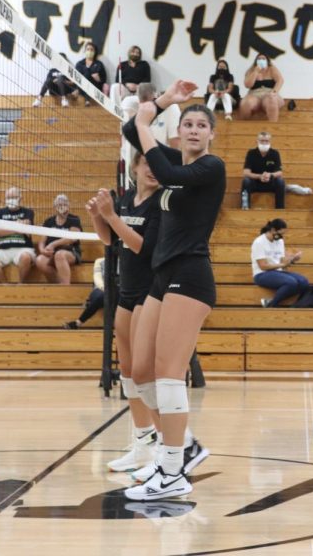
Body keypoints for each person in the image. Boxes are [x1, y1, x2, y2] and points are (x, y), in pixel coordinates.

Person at [120, 79, 225, 500]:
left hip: (191, 276)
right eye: (188, 123)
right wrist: (163, 102)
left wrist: (148, 122)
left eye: (202, 124)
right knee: (140, 372)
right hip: (161, 277)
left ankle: (171, 471)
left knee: (168, 375)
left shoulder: (208, 168)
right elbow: (132, 133)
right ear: (179, 130)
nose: (195, 129)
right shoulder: (175, 163)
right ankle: (185, 448)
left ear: (211, 134)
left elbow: (162, 169)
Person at [86, 149, 163, 473]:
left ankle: (168, 445)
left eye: (158, 166)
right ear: (135, 166)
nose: (152, 171)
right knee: (129, 371)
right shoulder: (127, 198)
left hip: (151, 291)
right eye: (147, 163)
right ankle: (142, 442)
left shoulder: (161, 204)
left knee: (148, 372)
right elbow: (111, 241)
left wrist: (112, 217)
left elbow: (142, 247)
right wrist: (97, 217)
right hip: (126, 291)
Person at [0, 187, 35, 283]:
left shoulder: (28, 212)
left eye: (14, 197)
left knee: (25, 257)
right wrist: (18, 227)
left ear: (20, 198)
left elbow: (27, 227)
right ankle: (4, 285)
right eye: (8, 197)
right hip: (3, 250)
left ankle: (21, 284)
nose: (11, 200)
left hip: (23, 249)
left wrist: (6, 228)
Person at [251, 218, 307, 307]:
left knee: (303, 282)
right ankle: (272, 304)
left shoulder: (279, 241)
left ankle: (290, 304)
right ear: (273, 230)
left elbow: (282, 262)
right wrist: (282, 265)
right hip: (262, 274)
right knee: (291, 282)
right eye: (280, 234)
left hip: (278, 272)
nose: (281, 237)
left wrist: (292, 259)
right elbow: (263, 266)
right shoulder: (259, 242)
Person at [35, 194, 82, 285]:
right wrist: (42, 250)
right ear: (55, 207)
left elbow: (73, 238)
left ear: (68, 206)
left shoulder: (74, 219)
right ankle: (58, 285)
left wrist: (53, 244)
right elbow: (42, 241)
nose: (62, 207)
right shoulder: (49, 221)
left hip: (71, 252)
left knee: (59, 255)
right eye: (59, 205)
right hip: (52, 253)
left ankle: (65, 286)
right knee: (40, 260)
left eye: (64, 204)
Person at [241, 131, 285, 209]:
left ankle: (280, 209)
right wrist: (259, 176)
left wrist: (270, 175)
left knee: (280, 181)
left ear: (270, 141)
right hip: (255, 183)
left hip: (270, 182)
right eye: (262, 141)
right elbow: (246, 172)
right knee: (246, 181)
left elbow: (279, 172)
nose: (264, 143)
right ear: (257, 141)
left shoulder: (275, 153)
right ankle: (245, 207)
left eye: (266, 141)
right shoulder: (251, 153)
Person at [63, 257, 105, 330]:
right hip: (101, 289)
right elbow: (97, 279)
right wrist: (106, 289)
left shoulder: (126, 261)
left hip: (118, 291)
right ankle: (78, 322)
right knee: (103, 296)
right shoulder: (100, 261)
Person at [240, 53, 284, 122]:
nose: (261, 60)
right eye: (259, 59)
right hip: (254, 94)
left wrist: (274, 92)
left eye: (263, 59)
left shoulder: (272, 69)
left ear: (267, 61)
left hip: (269, 93)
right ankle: (245, 126)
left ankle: (273, 126)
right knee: (246, 103)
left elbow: (280, 80)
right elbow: (247, 85)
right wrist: (255, 72)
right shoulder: (251, 70)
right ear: (256, 61)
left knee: (271, 100)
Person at [72, 41, 107, 107]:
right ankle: (87, 100)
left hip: (94, 88)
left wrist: (99, 79)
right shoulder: (79, 64)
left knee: (87, 74)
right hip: (82, 87)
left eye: (92, 50)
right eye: (88, 49)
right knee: (87, 74)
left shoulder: (99, 64)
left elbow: (104, 79)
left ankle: (78, 91)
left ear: (95, 52)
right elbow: (75, 77)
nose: (89, 51)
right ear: (85, 51)